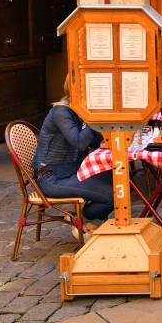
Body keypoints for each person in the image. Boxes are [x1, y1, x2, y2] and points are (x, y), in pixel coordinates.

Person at [32, 78, 112, 236]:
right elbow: (79, 142)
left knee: (120, 180)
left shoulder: (79, 111)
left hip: (71, 173)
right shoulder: (61, 112)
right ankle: (83, 220)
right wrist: (93, 116)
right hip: (51, 178)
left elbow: (95, 142)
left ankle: (88, 221)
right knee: (112, 195)